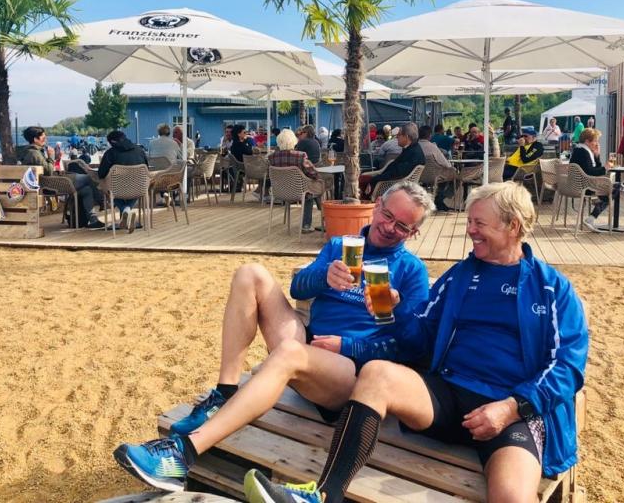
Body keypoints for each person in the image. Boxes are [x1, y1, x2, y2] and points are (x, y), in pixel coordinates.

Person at [244, 182, 589, 503]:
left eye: (479, 223)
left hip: (511, 410)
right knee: (377, 374)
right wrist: (395, 311)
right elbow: (418, 338)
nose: (470, 230)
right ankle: (324, 496)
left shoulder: (552, 289)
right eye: (469, 221)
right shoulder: (459, 277)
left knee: (512, 497)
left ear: (513, 226)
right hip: (447, 395)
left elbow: (568, 368)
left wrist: (511, 408)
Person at [114, 182, 436, 491]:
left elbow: (412, 348)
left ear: (413, 233)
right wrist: (324, 277)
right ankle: (225, 393)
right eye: (388, 215)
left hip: (349, 375)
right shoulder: (341, 245)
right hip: (309, 348)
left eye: (402, 226)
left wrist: (364, 333)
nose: (390, 227)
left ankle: (182, 454)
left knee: (290, 353)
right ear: (377, 206)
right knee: (250, 274)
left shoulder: (411, 271)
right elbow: (298, 288)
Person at [19, 126, 105, 229]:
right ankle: (102, 202)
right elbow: (48, 171)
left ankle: (93, 220)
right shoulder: (34, 153)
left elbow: (46, 169)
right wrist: (51, 156)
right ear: (35, 139)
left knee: (86, 190)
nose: (45, 139)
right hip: (52, 184)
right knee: (88, 178)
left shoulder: (33, 152)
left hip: (53, 181)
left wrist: (56, 158)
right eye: (43, 137)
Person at [268, 128, 325, 232]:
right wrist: (316, 176)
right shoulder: (300, 156)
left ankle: (315, 223)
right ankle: (309, 225)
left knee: (310, 189)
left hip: (280, 192)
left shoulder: (272, 157)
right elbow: (313, 173)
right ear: (293, 141)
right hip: (299, 191)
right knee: (314, 190)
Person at [98, 130, 149, 232]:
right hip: (137, 188)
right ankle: (127, 209)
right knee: (137, 189)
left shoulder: (110, 153)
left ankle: (125, 209)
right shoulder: (139, 151)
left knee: (104, 188)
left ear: (112, 141)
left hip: (117, 189)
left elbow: (101, 174)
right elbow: (146, 168)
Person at [359, 123, 425, 200]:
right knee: (364, 178)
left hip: (392, 185)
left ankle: (360, 203)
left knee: (362, 180)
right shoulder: (413, 149)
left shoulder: (412, 153)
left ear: (406, 137)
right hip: (395, 183)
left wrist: (374, 179)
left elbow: (397, 173)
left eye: (399, 135)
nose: (396, 137)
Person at [571, 128, 616, 232]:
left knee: (610, 189)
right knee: (616, 187)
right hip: (585, 187)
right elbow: (591, 171)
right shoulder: (584, 153)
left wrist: (596, 155)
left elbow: (593, 169)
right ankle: (591, 218)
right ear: (587, 141)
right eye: (595, 141)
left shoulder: (579, 150)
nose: (597, 143)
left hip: (577, 184)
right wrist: (605, 168)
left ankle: (599, 201)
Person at [418, 125, 456, 212]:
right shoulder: (432, 147)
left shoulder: (414, 147)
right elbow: (445, 164)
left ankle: (438, 198)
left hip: (418, 176)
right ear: (429, 136)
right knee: (453, 174)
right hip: (434, 176)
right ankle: (440, 198)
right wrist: (451, 167)